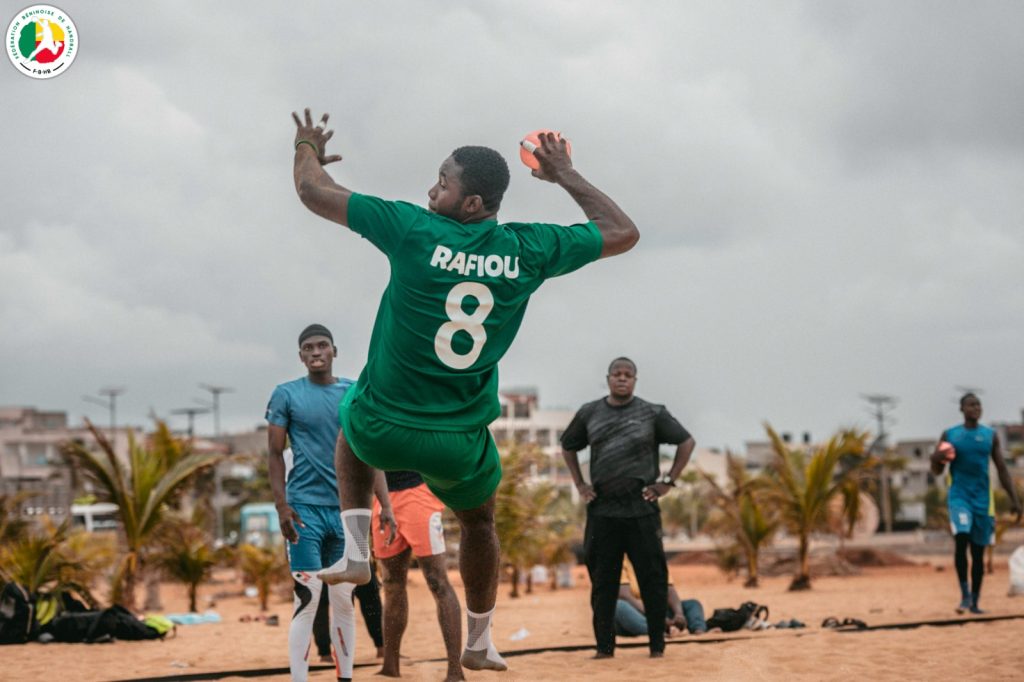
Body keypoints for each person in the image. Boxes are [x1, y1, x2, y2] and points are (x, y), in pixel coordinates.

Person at [289, 107, 639, 672]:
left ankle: (356, 554)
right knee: (479, 524)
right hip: (458, 442)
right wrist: (564, 174)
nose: (432, 188)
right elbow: (622, 232)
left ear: (471, 203)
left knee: (352, 415)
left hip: (384, 430)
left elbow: (312, 190)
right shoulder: (528, 249)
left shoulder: (410, 230)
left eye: (443, 182)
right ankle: (478, 639)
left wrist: (306, 143)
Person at [267, 324, 396, 682]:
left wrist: (385, 505)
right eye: (308, 347)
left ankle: (345, 678)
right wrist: (281, 507)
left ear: (334, 350)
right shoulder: (286, 395)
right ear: (301, 356)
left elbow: (367, 452)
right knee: (307, 599)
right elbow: (274, 454)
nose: (315, 352)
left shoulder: (354, 393)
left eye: (322, 345)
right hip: (303, 511)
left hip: (347, 514)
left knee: (344, 602)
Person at [561, 357, 695, 659]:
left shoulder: (652, 413)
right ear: (608, 378)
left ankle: (657, 647)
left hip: (642, 509)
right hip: (603, 511)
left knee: (653, 579)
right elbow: (568, 445)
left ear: (635, 380)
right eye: (617, 374)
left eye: (628, 375)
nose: (622, 379)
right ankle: (604, 649)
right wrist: (581, 485)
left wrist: (667, 482)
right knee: (603, 584)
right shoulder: (590, 413)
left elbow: (686, 442)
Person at [930, 392, 1021, 614]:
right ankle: (964, 596)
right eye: (971, 405)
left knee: (978, 552)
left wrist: (1016, 500)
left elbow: (1002, 469)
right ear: (962, 409)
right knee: (962, 538)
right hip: (960, 496)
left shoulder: (989, 435)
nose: (976, 408)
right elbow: (937, 470)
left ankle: (975, 601)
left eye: (978, 404)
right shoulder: (951, 434)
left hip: (982, 499)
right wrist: (936, 458)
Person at [372, 470, 462, 680]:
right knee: (391, 584)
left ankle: (455, 671)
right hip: (381, 497)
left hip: (418, 493)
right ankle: (390, 667)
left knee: (437, 581)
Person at [615, 557, 706, 637]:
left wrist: (679, 614)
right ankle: (660, 631)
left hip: (659, 613)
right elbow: (625, 595)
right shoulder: (621, 560)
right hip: (636, 613)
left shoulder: (656, 558)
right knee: (619, 606)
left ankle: (698, 630)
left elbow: (670, 590)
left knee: (693, 604)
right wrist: (656, 616)